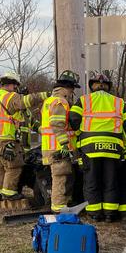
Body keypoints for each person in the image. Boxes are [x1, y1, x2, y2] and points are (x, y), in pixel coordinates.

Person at [69, 72, 126, 221]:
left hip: (90, 147)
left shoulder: (84, 100)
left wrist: (80, 132)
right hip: (113, 148)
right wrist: (117, 133)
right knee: (110, 181)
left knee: (92, 181)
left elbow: (73, 117)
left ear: (92, 86)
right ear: (108, 87)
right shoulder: (119, 102)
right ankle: (110, 214)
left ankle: (95, 213)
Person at [0, 72, 47, 201]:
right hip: (7, 140)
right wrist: (45, 95)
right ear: (12, 84)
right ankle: (9, 193)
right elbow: (26, 101)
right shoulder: (11, 97)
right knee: (13, 167)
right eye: (15, 86)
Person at [40, 70, 81, 212]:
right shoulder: (60, 102)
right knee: (60, 178)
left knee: (61, 177)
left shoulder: (49, 101)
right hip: (58, 148)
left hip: (49, 147)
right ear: (67, 88)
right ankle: (59, 209)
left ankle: (62, 205)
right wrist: (65, 144)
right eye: (72, 89)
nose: (72, 92)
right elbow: (57, 124)